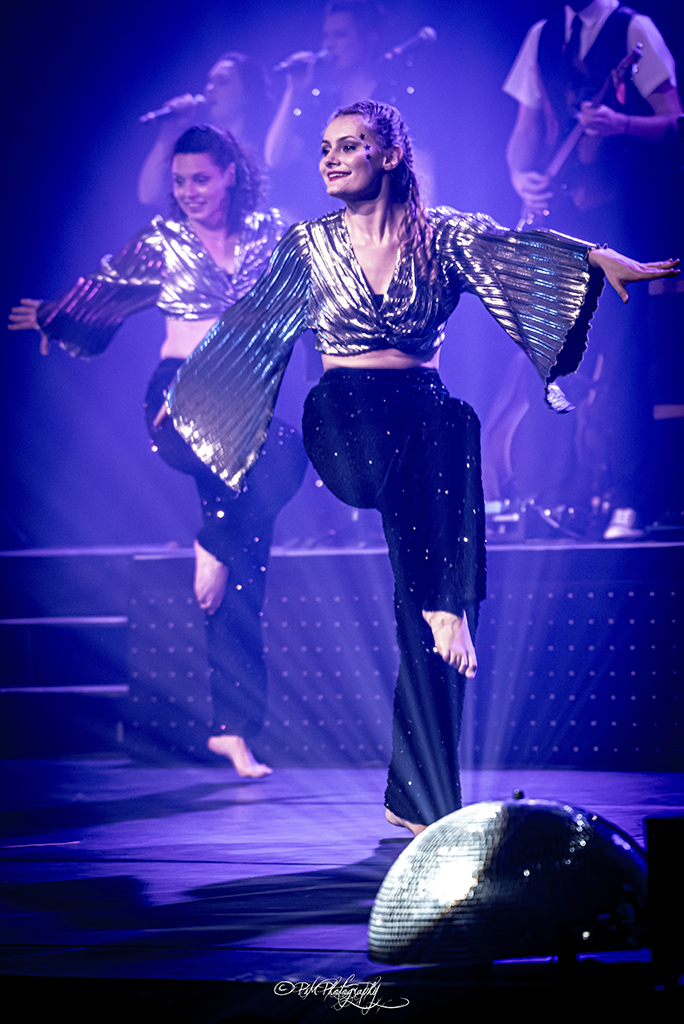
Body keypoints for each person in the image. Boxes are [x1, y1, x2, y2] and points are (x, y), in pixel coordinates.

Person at [162, 101, 678, 835]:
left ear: (390, 155)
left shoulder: (443, 236)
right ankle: (445, 596)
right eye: (325, 147)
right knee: (449, 431)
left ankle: (419, 795)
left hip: (422, 427)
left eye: (350, 145)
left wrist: (593, 259)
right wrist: (194, 393)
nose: (331, 158)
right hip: (344, 420)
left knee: (431, 584)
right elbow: (251, 330)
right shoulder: (308, 245)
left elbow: (515, 251)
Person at [9, 126, 307, 777]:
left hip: (246, 407)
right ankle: (214, 539)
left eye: (201, 179)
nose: (189, 192)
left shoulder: (270, 234)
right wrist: (55, 315)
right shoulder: (163, 241)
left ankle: (232, 728)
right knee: (238, 525)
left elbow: (315, 289)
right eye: (180, 182)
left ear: (230, 174)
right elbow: (104, 287)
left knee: (249, 562)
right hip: (177, 396)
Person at [503, 0, 683, 537]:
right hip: (562, 225)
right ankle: (552, 498)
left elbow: (674, 120)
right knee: (553, 356)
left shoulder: (634, 29)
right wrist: (520, 176)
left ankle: (630, 498)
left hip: (622, 218)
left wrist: (621, 122)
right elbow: (526, 128)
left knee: (624, 359)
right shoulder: (542, 37)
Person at [138, 53, 271, 208]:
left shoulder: (266, 145)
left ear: (247, 93)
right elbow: (148, 195)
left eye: (222, 82)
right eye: (209, 82)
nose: (210, 89)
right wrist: (168, 131)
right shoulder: (198, 148)